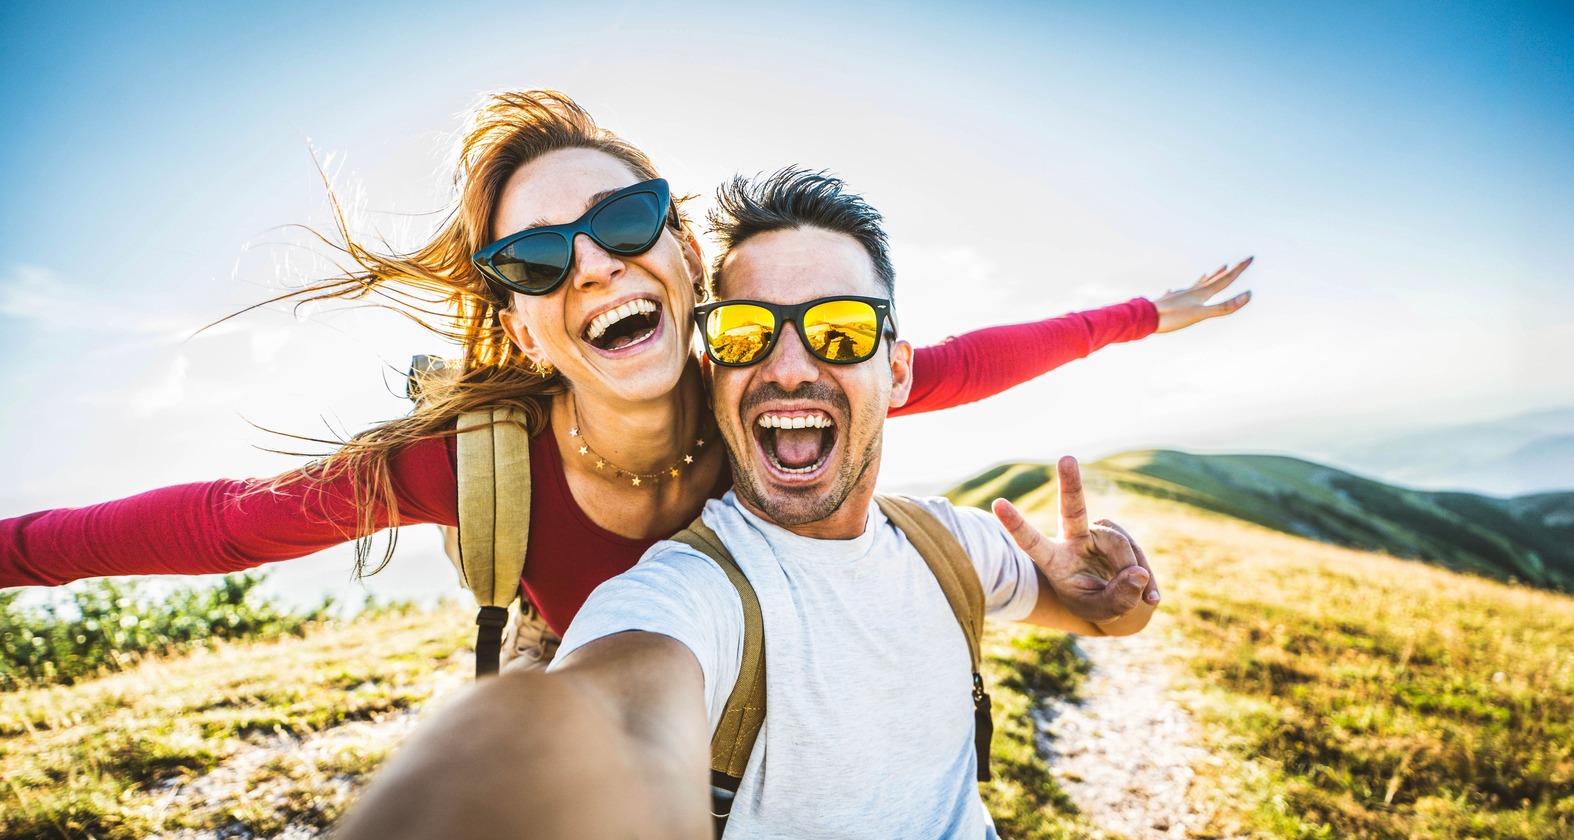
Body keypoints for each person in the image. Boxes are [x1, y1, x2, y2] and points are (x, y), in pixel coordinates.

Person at [0, 89, 1250, 663]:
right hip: (586, 668)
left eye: (624, 215)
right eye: (537, 258)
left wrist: (1147, 312)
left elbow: (965, 363)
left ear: (686, 248)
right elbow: (226, 526)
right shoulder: (478, 462)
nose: (592, 263)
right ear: (523, 322)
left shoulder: (764, 388)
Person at [333, 169, 1161, 839]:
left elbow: (1100, 619)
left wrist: (1112, 605)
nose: (791, 367)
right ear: (710, 365)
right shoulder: (686, 596)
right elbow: (610, 715)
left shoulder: (953, 545)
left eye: (838, 330)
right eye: (745, 334)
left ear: (899, 372)